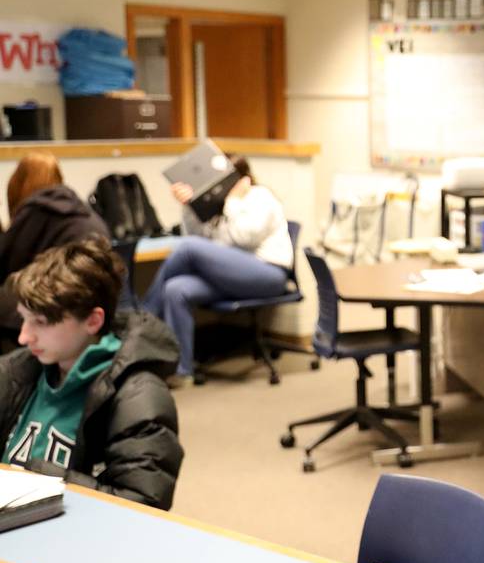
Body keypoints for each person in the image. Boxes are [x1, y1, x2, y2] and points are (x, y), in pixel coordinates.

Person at [0, 238, 183, 509]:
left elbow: (142, 506)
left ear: (93, 321)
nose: (24, 337)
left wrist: (48, 480)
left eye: (40, 322)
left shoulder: (139, 395)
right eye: (24, 319)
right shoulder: (18, 369)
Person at [144, 156, 290, 384]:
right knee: (175, 289)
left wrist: (233, 202)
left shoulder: (260, 197)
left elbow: (244, 237)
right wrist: (190, 207)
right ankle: (181, 371)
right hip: (231, 277)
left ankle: (143, 318)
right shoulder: (218, 206)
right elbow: (197, 237)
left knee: (187, 248)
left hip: (268, 274)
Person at [0, 152, 111, 332]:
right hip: (89, 307)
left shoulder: (35, 213)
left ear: (18, 184)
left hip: (55, 306)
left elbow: (7, 265)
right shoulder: (82, 210)